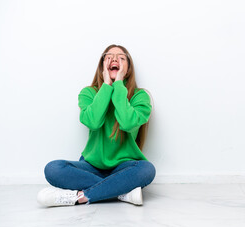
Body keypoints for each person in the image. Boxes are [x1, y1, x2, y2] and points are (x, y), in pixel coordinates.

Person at [37, 44, 156, 207]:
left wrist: (119, 84)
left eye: (121, 58)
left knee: (147, 170)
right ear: (102, 67)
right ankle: (121, 192)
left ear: (128, 69)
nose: (115, 59)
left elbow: (127, 123)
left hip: (124, 167)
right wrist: (107, 86)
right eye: (109, 57)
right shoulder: (88, 93)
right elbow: (93, 122)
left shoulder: (140, 96)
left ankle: (80, 197)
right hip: (91, 166)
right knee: (53, 168)